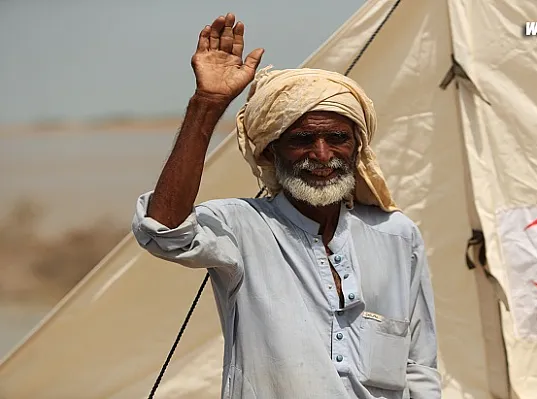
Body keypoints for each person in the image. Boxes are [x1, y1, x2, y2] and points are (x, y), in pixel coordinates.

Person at [131, 12, 441, 399]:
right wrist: (207, 105)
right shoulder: (241, 227)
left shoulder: (396, 234)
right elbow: (162, 231)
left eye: (337, 138)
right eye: (302, 139)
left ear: (357, 146)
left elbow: (419, 363)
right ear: (271, 150)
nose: (322, 154)